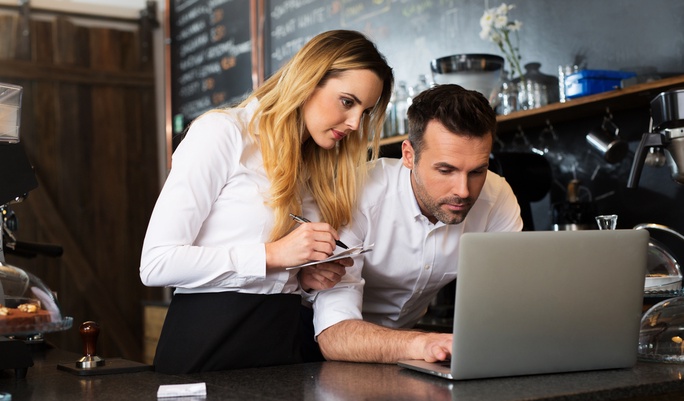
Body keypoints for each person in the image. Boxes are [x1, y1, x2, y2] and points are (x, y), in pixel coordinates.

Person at [139, 29, 394, 373]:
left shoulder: (317, 165)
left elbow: (275, 278)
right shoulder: (223, 133)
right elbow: (157, 264)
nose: (353, 123)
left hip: (283, 348)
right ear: (308, 80)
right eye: (347, 102)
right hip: (206, 345)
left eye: (365, 112)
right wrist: (274, 255)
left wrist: (305, 280)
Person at [304, 84, 523, 363]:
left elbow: (509, 300)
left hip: (407, 350)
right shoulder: (358, 195)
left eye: (478, 171)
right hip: (315, 348)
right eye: (445, 170)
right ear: (409, 156)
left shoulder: (497, 197)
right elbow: (334, 335)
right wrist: (424, 343)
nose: (464, 191)